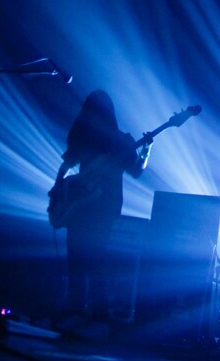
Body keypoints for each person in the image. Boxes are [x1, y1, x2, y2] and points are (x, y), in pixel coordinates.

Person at [53, 90, 150, 330]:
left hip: (101, 206)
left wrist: (59, 188)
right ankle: (86, 316)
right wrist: (59, 191)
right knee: (84, 260)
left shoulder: (107, 139)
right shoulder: (94, 138)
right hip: (88, 204)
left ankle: (95, 317)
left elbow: (65, 166)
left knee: (87, 259)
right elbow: (138, 171)